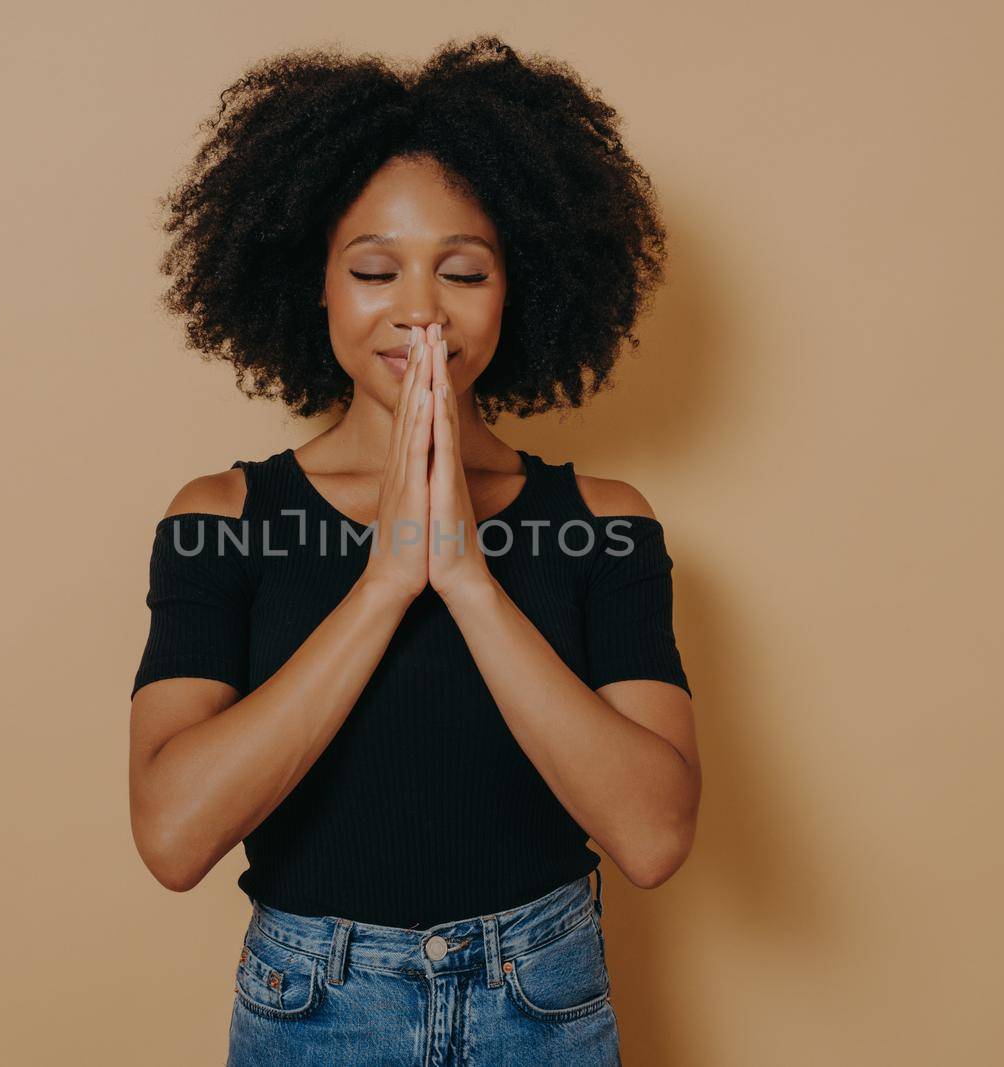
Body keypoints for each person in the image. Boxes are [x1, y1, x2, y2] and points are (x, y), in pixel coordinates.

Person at [126, 35, 700, 1066]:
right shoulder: (221, 515)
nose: (421, 309)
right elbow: (172, 837)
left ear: (518, 285)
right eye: (376, 269)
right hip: (314, 1005)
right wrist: (387, 578)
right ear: (316, 283)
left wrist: (468, 579)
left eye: (465, 270)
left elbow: (653, 837)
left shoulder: (606, 520)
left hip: (544, 1000)